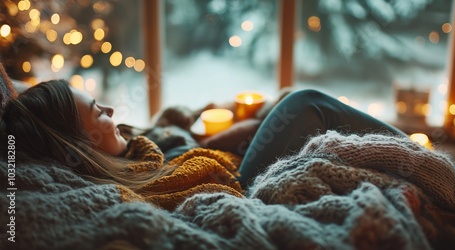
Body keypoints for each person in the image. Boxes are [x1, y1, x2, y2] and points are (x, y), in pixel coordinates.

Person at [1, 79, 405, 194]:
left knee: (292, 107)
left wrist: (232, 132)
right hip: (239, 185)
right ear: (80, 142)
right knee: (304, 103)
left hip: (229, 161)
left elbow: (189, 143)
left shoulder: (134, 145)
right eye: (96, 112)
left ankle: (414, 158)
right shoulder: (127, 185)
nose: (109, 111)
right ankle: (426, 163)